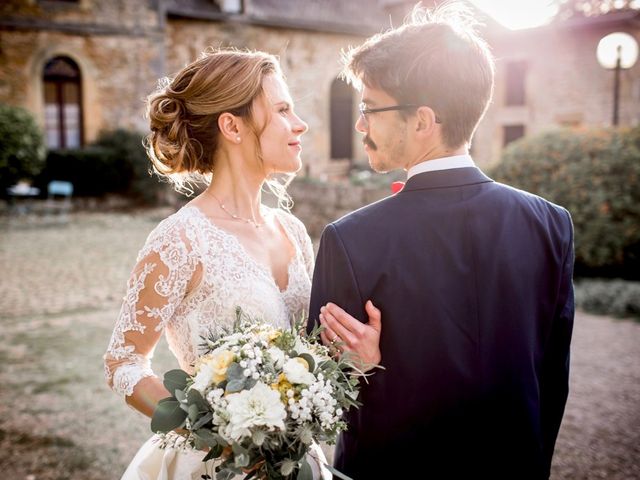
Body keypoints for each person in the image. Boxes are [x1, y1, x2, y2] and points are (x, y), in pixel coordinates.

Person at [307, 4, 575, 479]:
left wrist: (361, 368)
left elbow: (317, 394)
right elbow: (553, 381)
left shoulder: (349, 240)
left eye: (369, 108)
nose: (360, 125)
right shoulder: (551, 224)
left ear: (422, 120)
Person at [103, 48, 381, 480]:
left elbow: (310, 358)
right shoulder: (180, 240)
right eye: (283, 110)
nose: (300, 123)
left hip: (297, 463)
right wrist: (214, 433)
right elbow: (123, 362)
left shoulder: (292, 231)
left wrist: (357, 357)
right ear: (232, 126)